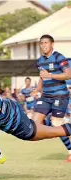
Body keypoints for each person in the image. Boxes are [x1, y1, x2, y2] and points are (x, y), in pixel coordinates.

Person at [31, 34, 71, 162]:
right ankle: (54, 130)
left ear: (52, 44)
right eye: (41, 43)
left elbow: (68, 75)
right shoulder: (40, 61)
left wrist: (51, 75)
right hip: (46, 96)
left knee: (56, 124)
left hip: (60, 95)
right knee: (35, 123)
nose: (43, 45)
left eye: (46, 43)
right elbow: (42, 76)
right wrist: (37, 89)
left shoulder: (59, 57)